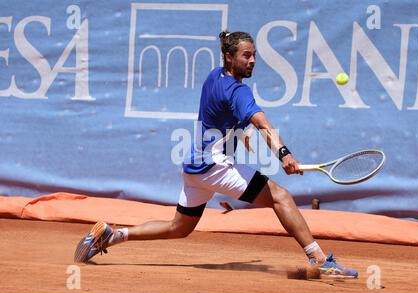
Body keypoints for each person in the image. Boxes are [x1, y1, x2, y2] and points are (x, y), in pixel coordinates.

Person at [74, 31, 358, 278]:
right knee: (281, 197)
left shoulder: (215, 76)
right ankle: (320, 260)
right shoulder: (238, 91)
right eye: (246, 56)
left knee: (179, 228)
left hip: (195, 166)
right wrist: (284, 154)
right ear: (229, 57)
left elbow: (223, 114)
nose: (253, 61)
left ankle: (113, 235)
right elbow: (260, 121)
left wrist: (240, 133)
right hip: (214, 166)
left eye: (254, 55)